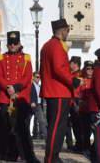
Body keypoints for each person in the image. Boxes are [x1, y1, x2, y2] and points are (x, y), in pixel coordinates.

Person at [0, 30, 37, 163]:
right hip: (5, 97)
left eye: (15, 43)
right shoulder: (2, 58)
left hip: (20, 97)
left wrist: (16, 88)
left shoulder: (26, 58)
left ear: (19, 44)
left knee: (22, 129)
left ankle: (27, 156)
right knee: (5, 128)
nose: (12, 45)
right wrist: (8, 88)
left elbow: (27, 77)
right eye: (10, 43)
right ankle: (6, 154)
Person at [40, 18, 76, 163]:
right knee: (57, 127)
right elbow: (59, 69)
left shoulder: (46, 45)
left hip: (52, 91)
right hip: (59, 91)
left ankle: (53, 156)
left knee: (55, 125)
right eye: (68, 30)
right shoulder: (56, 46)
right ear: (62, 31)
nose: (68, 33)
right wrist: (73, 81)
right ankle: (51, 158)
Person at [31, 72, 46, 140]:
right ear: (33, 77)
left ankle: (45, 136)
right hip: (32, 104)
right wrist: (31, 102)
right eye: (37, 77)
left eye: (39, 77)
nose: (38, 79)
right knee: (28, 120)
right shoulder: (31, 85)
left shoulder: (40, 86)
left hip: (39, 105)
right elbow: (29, 94)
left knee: (41, 120)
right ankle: (34, 134)